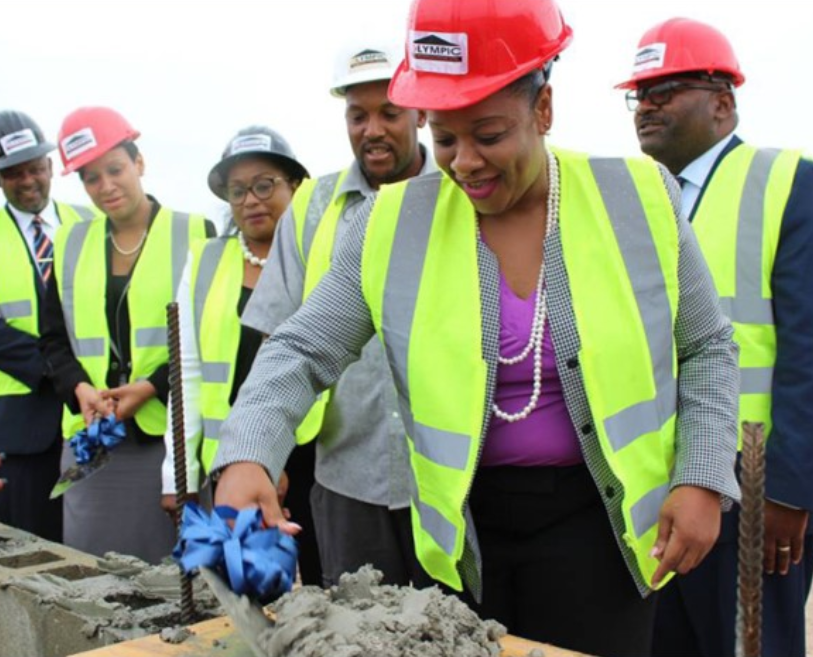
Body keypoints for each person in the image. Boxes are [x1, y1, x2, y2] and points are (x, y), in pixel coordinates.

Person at [211, 1, 742, 655]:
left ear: (542, 109)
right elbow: (300, 346)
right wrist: (247, 453)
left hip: (601, 531)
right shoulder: (388, 223)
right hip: (463, 543)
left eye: (489, 135)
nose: (464, 163)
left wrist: (703, 475)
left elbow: (708, 344)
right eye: (444, 138)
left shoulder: (637, 197)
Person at [617, 18, 813, 657]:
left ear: (723, 101)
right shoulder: (640, 199)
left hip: (753, 485)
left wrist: (788, 491)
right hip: (663, 486)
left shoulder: (789, 182)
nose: (648, 106)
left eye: (667, 89)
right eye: (640, 94)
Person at [240, 38, 438, 588]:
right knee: (355, 629)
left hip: (446, 480)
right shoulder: (312, 205)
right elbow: (276, 337)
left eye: (388, 113)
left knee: (451, 633)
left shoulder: (458, 193)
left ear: (420, 111)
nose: (371, 129)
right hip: (347, 474)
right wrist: (264, 452)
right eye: (358, 115)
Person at [40, 107, 213, 564]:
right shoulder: (70, 243)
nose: (107, 187)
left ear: (139, 163)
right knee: (91, 566)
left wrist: (152, 388)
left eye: (115, 169)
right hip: (93, 434)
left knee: (167, 567)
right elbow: (53, 340)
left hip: (167, 432)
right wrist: (79, 389)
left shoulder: (195, 233)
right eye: (91, 179)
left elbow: (208, 335)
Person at [160, 125, 317, 580]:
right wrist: (178, 474)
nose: (251, 200)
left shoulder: (320, 256)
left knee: (318, 589)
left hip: (310, 460)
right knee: (241, 588)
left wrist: (275, 459)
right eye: (237, 190)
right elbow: (186, 370)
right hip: (227, 462)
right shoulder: (206, 260)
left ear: (295, 187)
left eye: (265, 184)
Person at [0, 110, 96, 542]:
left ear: (51, 166)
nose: (28, 180)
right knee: (31, 546)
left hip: (91, 413)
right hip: (20, 421)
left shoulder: (91, 224)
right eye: (14, 173)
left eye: (35, 168)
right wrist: (60, 368)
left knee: (97, 547)